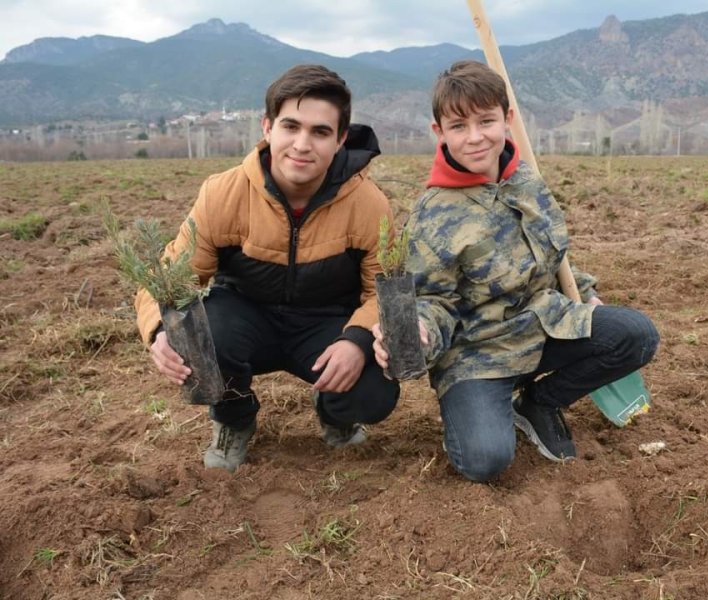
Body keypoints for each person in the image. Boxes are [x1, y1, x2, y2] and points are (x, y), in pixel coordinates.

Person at [373, 60, 659, 482]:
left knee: (636, 336)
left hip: (544, 324)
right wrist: (419, 332)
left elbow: (552, 253)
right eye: (458, 126)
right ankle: (485, 407)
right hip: (479, 355)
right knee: (485, 460)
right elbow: (433, 302)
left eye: (486, 121)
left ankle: (539, 402)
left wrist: (584, 292)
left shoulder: (526, 178)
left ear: (507, 119)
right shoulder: (433, 217)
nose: (475, 137)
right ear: (440, 133)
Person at [136, 64, 400, 472]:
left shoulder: (368, 205)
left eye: (320, 132)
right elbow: (169, 277)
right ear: (267, 127)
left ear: (341, 139)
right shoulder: (222, 194)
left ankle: (336, 413)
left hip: (323, 326)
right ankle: (235, 420)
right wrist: (158, 329)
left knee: (375, 389)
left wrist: (357, 342)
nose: (302, 144)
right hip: (245, 320)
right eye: (290, 126)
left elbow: (380, 293)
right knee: (196, 333)